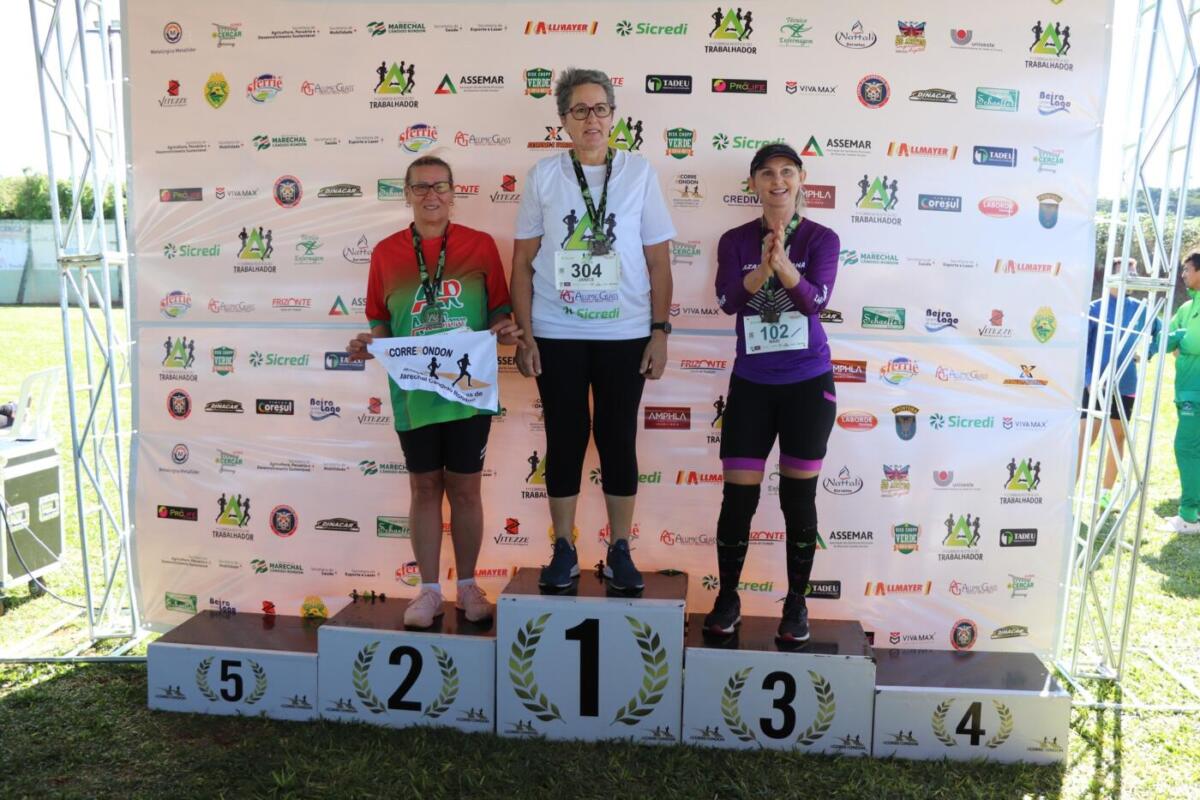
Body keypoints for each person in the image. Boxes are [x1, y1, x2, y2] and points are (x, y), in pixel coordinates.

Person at [510, 67, 676, 592]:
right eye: (579, 110)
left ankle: (620, 549)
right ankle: (563, 548)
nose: (591, 119)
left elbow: (659, 262)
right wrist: (526, 334)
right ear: (563, 119)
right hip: (556, 330)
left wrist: (659, 331)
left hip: (625, 332)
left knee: (617, 437)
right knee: (564, 437)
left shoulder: (639, 172)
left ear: (613, 116)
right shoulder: (544, 175)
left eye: (600, 109)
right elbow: (522, 262)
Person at [346, 155, 523, 626]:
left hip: (468, 390)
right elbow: (380, 321)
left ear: (453, 192)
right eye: (421, 187)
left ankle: (467, 586)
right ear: (407, 194)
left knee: (465, 490)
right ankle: (428, 591)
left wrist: (505, 330)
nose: (431, 195)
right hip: (414, 392)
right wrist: (371, 346)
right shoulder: (386, 253)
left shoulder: (480, 245)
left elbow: (499, 310)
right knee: (424, 488)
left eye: (440, 186)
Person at [703, 143, 840, 643]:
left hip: (807, 385)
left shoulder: (823, 238)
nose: (777, 181)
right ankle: (727, 597)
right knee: (737, 500)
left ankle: (796, 604)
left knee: (798, 501)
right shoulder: (734, 240)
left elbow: (814, 302)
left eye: (786, 172)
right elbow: (726, 301)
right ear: (753, 184)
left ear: (801, 179)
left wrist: (784, 266)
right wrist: (761, 268)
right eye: (766, 173)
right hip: (753, 386)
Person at [1078, 257, 1161, 508]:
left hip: (1125, 384)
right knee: (1085, 437)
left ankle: (1105, 494)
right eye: (1128, 271)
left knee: (1117, 437)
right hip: (1095, 385)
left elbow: (1160, 331)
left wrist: (1146, 352)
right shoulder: (1094, 309)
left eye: (1135, 271)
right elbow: (1082, 349)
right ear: (1113, 275)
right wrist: (1089, 378)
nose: (1133, 276)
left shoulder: (1140, 308)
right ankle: (1068, 490)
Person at [1163, 252, 1200, 534]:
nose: (1183, 274)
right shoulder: (1187, 306)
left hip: (1194, 394)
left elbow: (1191, 342)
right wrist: (1176, 340)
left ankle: (1188, 517)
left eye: (1187, 269)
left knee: (1185, 448)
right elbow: (1166, 339)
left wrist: (1181, 342)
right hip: (1186, 390)